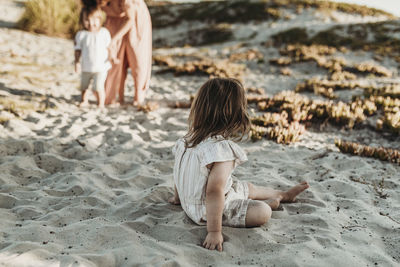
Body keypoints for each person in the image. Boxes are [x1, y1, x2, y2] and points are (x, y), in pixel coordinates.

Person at [169, 78, 309, 252]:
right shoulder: (220, 150)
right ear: (234, 115)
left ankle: (283, 194)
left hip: (189, 202)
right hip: (208, 212)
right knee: (262, 212)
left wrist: (178, 198)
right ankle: (272, 202)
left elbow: (178, 171)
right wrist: (214, 231)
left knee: (245, 187)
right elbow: (214, 191)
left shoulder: (185, 141)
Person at [98, 0, 152, 106]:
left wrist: (113, 40)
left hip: (135, 18)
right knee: (115, 58)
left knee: (137, 58)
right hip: (114, 20)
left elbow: (130, 20)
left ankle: (139, 96)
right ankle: (115, 96)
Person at [74, 6, 111, 108]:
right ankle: (84, 101)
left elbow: (109, 47)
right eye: (87, 20)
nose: (91, 23)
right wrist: (77, 63)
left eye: (95, 20)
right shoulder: (81, 35)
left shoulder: (104, 33)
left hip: (101, 67)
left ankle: (101, 103)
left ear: (100, 19)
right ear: (82, 20)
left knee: (98, 86)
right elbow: (77, 50)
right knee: (84, 86)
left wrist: (113, 57)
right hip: (86, 66)